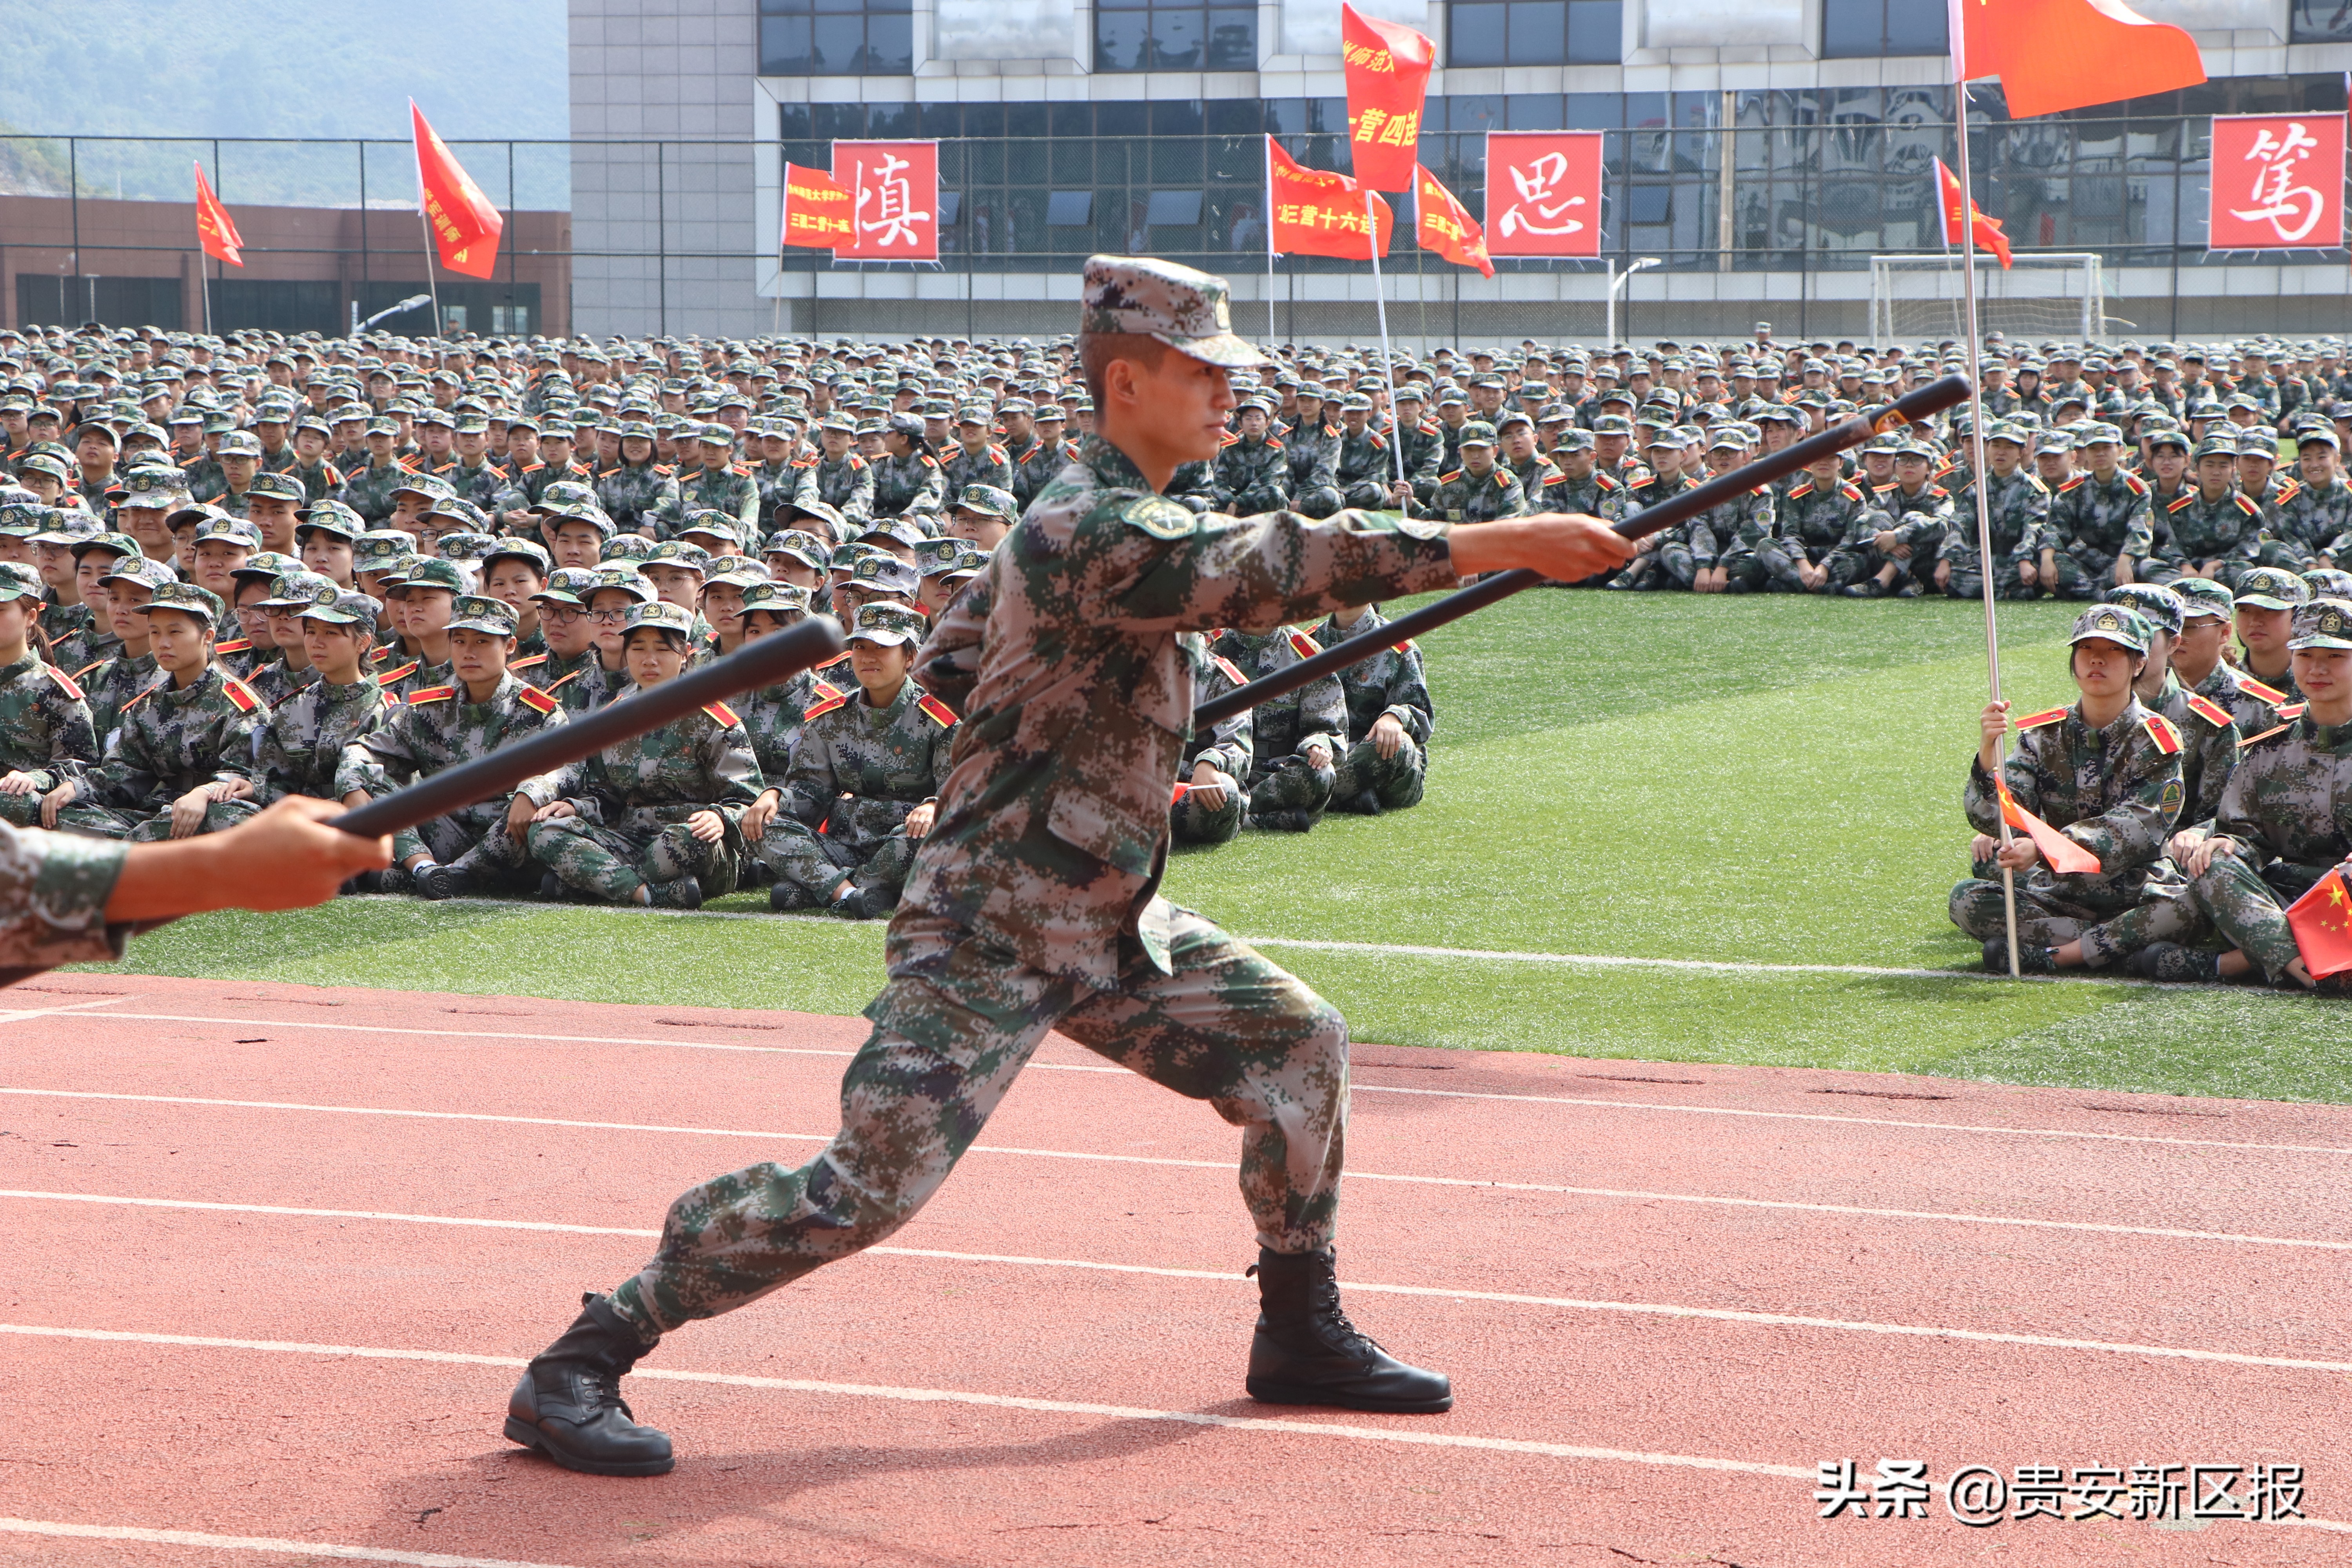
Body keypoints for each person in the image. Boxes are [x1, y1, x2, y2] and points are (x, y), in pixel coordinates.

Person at [501, 256, 1636, 1479]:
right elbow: (1273, 564)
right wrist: (1500, 541)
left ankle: (1298, 1329)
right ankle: (583, 1358)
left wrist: (1084, 701)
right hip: (991, 924)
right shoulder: (1084, 523)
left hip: (1105, 915)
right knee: (864, 1191)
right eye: (1203, 372)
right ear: (1127, 382)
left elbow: (952, 662)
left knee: (1298, 1047)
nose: (1230, 394)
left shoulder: (1066, 525)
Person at [2126, 597, 2352, 987]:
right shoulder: (2270, 748)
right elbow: (2245, 835)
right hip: (2286, 897)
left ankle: (2232, 964)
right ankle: (2308, 970)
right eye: (2306, 655)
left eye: (2335, 656)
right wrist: (2228, 843)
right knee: (2211, 863)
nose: (2317, 668)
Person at [1952, 606, 2184, 974]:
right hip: (2061, 892)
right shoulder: (2043, 735)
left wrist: (2045, 848)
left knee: (2185, 908)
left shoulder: (2157, 741)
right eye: (2086, 648)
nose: (2096, 659)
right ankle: (2114, 947)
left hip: (2134, 892)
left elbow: (2138, 828)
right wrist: (1987, 756)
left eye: (2113, 650)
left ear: (2139, 663)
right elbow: (1999, 819)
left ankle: (2059, 950)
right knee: (1968, 900)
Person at [524, 601, 760, 909]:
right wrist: (575, 807)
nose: (650, 660)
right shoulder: (612, 719)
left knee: (690, 840)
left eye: (662, 649)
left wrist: (720, 817)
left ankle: (595, 882)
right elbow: (605, 796)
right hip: (631, 839)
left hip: (691, 840)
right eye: (638, 649)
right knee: (545, 830)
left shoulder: (714, 720)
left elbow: (747, 798)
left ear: (685, 653)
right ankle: (645, 894)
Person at [335, 593, 569, 900]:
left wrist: (532, 792)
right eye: (459, 642)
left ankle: (440, 876)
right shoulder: (430, 708)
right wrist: (352, 787)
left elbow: (569, 767)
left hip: (507, 836)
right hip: (443, 832)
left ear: (510, 646)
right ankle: (425, 869)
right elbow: (363, 749)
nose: (469, 652)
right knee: (373, 781)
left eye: (482, 642)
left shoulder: (540, 712)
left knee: (538, 815)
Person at [753, 601, 955, 916]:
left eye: (882, 647)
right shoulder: (831, 717)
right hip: (844, 845)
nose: (868, 657)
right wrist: (776, 797)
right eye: (860, 647)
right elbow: (810, 795)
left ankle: (828, 887)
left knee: (931, 833)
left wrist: (933, 806)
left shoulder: (937, 721)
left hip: (902, 844)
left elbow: (958, 795)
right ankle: (853, 894)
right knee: (763, 823)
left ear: (910, 657)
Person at [42, 583, 266, 842]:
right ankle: (137, 846)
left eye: (175, 632)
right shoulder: (149, 703)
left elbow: (245, 777)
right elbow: (125, 771)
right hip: (156, 813)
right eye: (155, 632)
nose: (163, 643)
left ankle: (132, 850)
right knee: (61, 811)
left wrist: (206, 792)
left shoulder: (237, 704)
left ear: (207, 637)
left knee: (225, 816)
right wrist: (77, 787)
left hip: (206, 813)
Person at [1310, 596, 1434, 815]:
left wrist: (1395, 717)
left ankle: (1304, 796)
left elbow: (1421, 717)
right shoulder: (1309, 644)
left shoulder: (1397, 646)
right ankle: (1350, 800)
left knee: (1399, 745)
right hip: (1324, 754)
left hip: (1376, 757)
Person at [0, 562, 98, 828]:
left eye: (0, 610)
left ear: (31, 617)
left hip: (26, 806)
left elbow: (80, 767)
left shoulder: (56, 691)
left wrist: (35, 779)